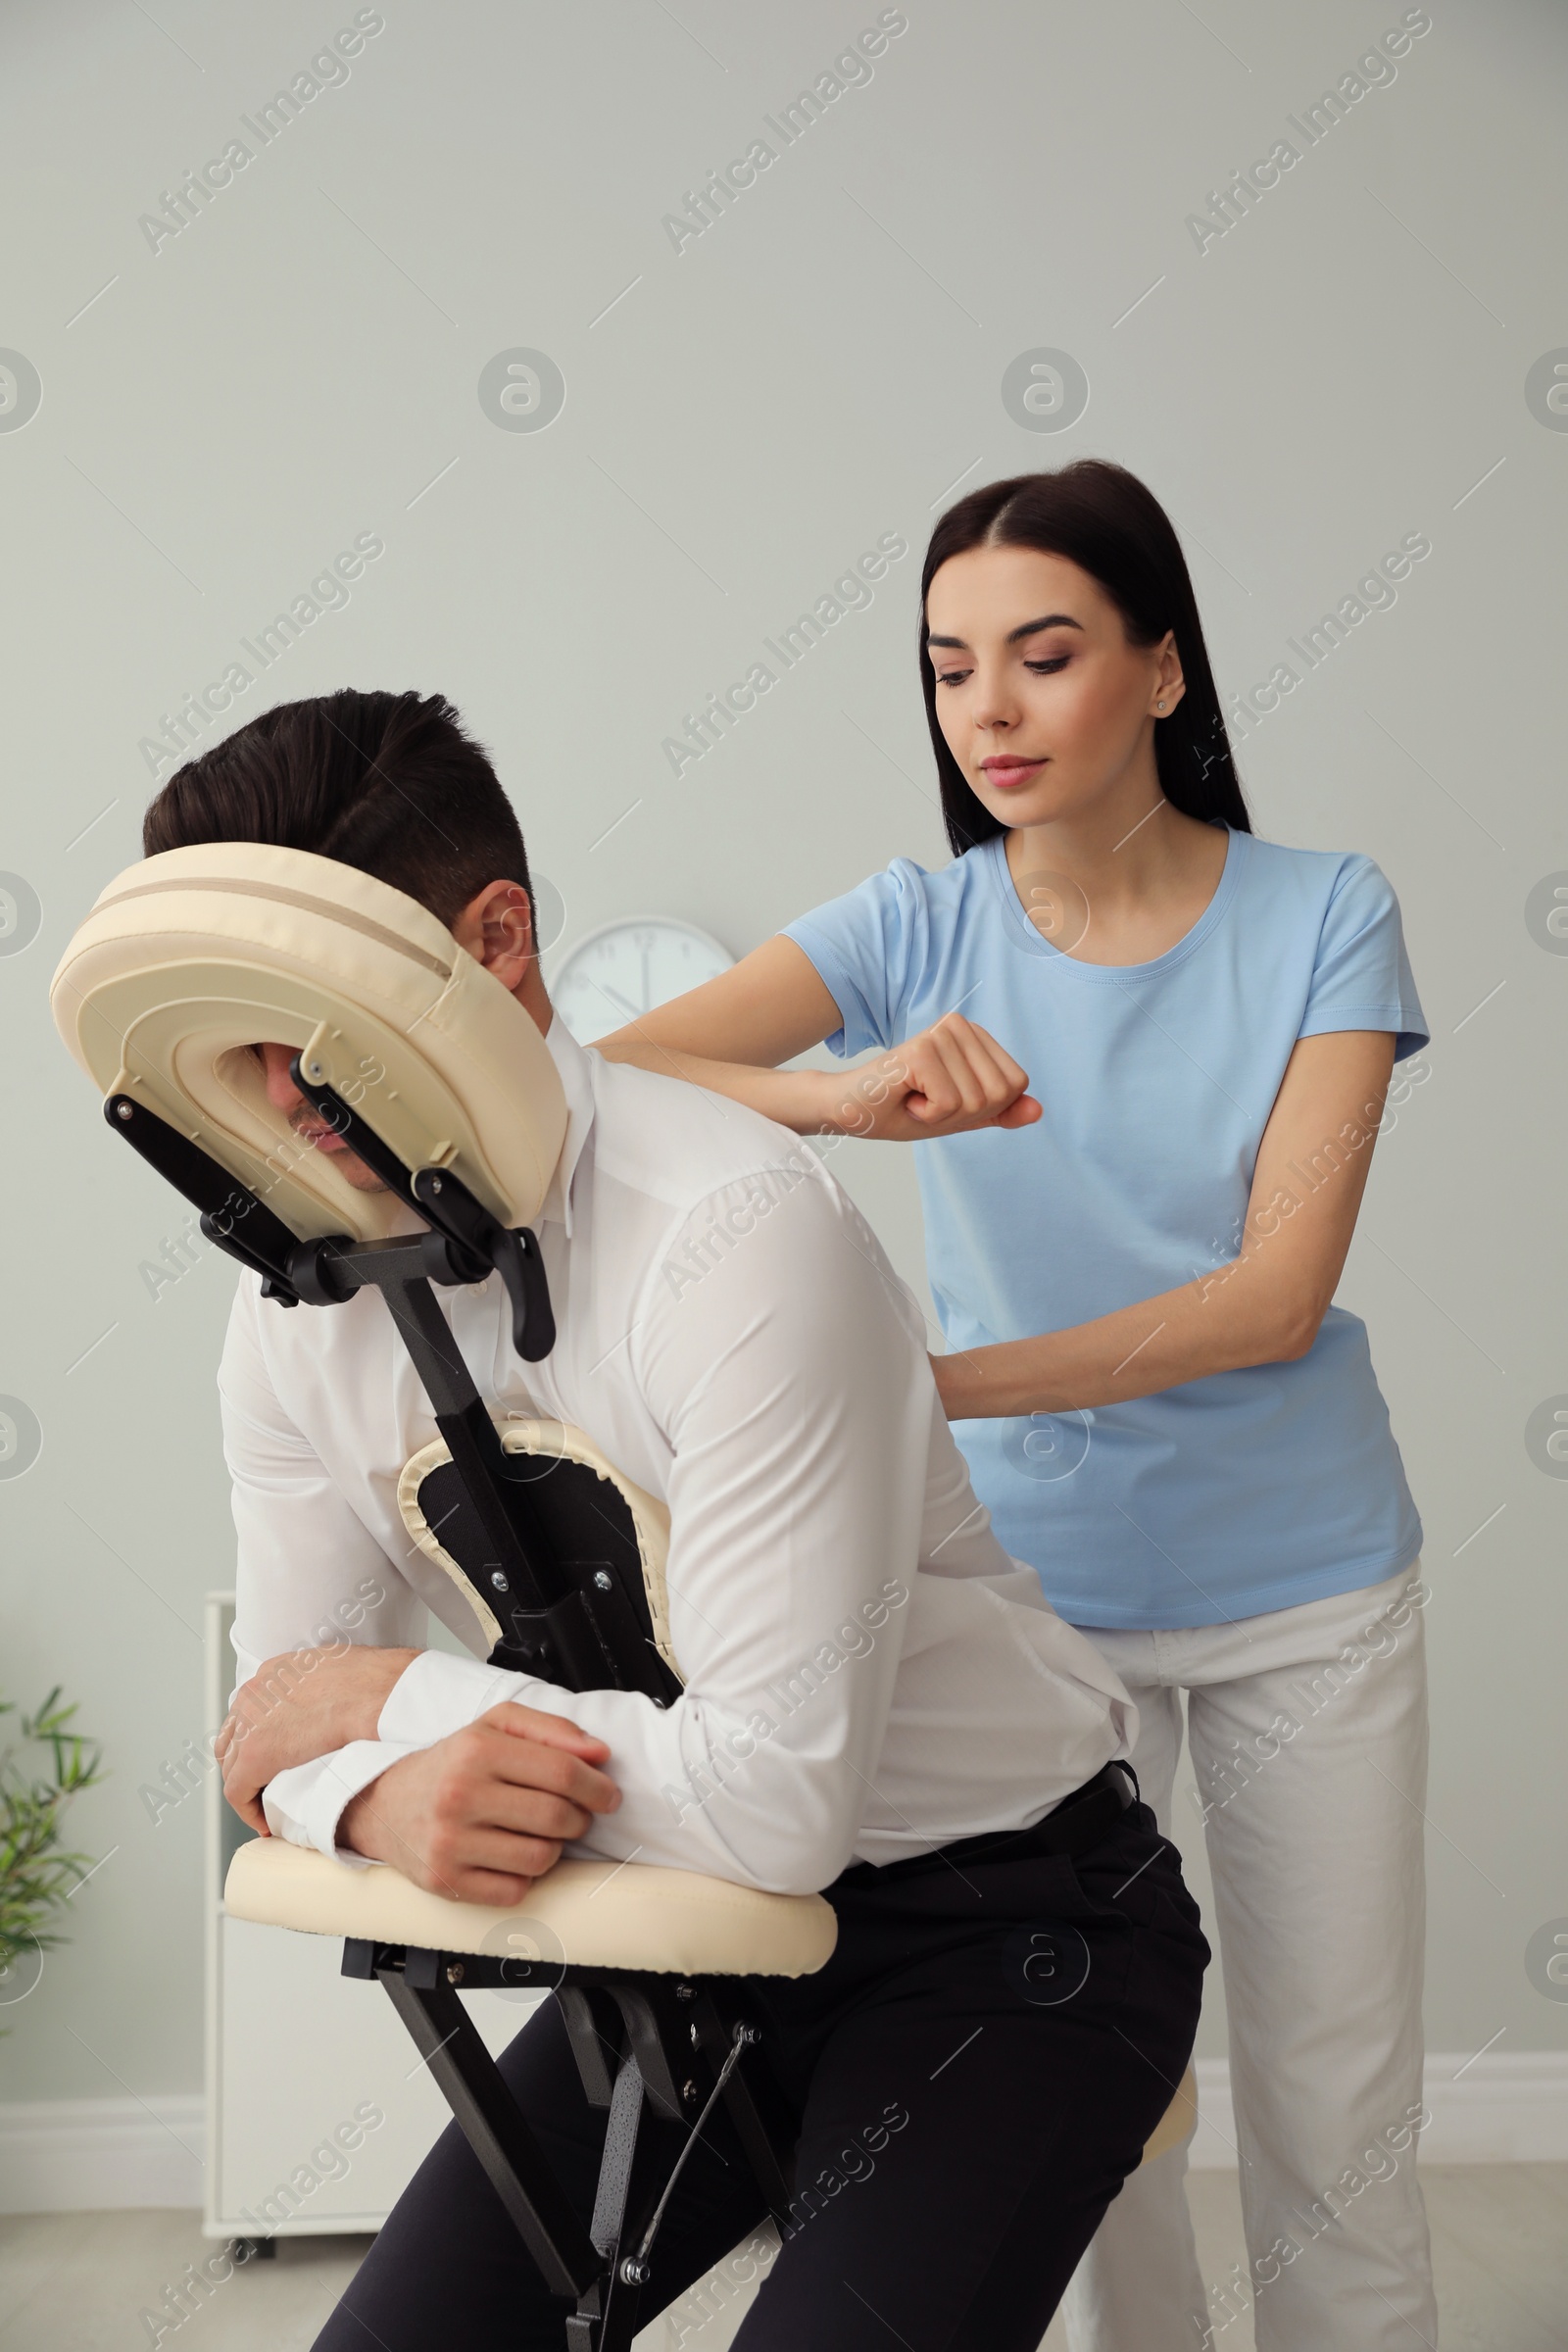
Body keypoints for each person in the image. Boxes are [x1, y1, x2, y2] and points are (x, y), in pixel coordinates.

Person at [142, 688, 1207, 2352]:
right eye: (245, 1039)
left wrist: (395, 1703)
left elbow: (776, 1802)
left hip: (1004, 1932)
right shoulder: (298, 1310)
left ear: (496, 941)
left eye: (323, 1028)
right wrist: (377, 1793)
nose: (281, 1100)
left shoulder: (739, 1235)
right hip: (677, 1956)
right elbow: (276, 1730)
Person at [595, 462, 1435, 2352]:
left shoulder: (1323, 917)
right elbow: (598, 1080)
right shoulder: (919, 925)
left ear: (1162, 667)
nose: (987, 708)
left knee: (1335, 2106)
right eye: (949, 665)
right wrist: (847, 1092)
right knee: (1099, 2111)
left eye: (1043, 656)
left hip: (1306, 1590)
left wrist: (916, 1390)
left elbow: (1270, 1293)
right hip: (1034, 1621)